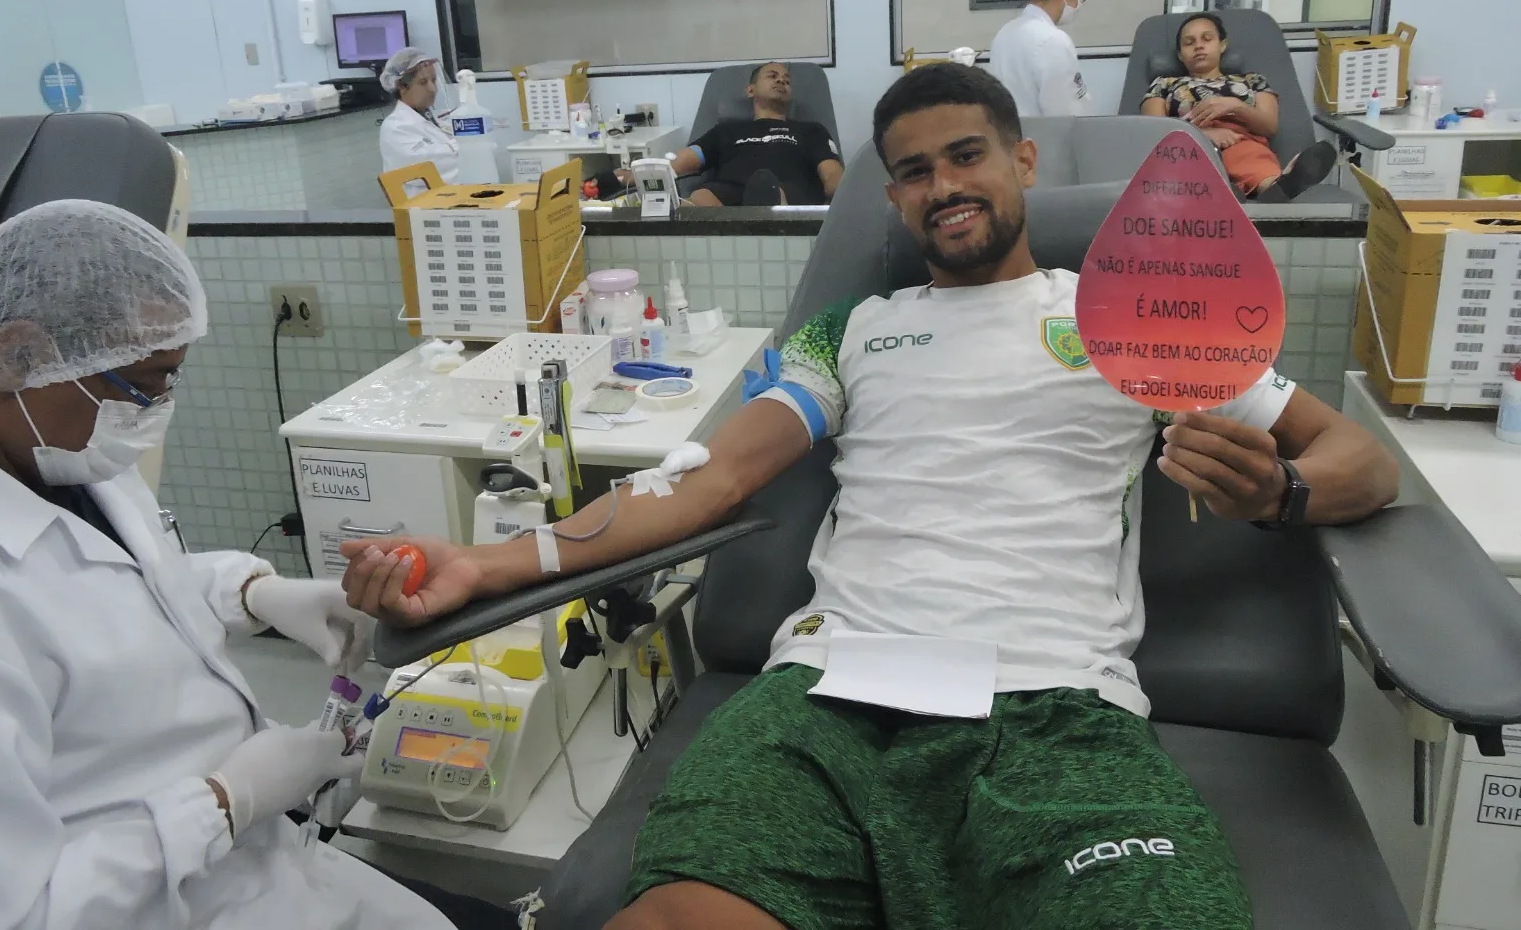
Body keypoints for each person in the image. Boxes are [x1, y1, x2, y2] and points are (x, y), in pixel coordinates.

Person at [342, 64, 1400, 930]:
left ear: (1021, 161)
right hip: (826, 702)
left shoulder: (1134, 317)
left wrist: (1284, 492)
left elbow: (1363, 460)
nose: (941, 184)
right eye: (911, 171)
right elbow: (710, 476)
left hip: (1051, 711)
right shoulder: (845, 331)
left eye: (965, 155)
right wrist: (486, 563)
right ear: (889, 195)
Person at [0, 200, 508, 929]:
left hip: (261, 866)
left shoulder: (50, 442)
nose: (157, 406)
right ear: (16, 353)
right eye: (146, 381)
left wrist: (255, 592)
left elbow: (117, 587)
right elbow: (6, 917)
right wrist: (224, 803)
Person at [1141, 12, 1337, 202]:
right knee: (1188, 164)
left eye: (1207, 39)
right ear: (1180, 55)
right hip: (1188, 146)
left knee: (1252, 159)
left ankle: (1276, 188)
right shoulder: (1164, 84)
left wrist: (1235, 106)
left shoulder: (1252, 81)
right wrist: (1203, 134)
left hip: (1240, 141)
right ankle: (1220, 191)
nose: (1198, 46)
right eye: (1189, 42)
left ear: (1222, 45)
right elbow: (1155, 130)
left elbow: (1269, 126)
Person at [669, 62, 843, 206]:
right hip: (730, 192)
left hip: (788, 192)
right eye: (772, 76)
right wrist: (653, 175)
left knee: (772, 191)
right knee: (701, 197)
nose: (782, 81)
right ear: (750, 90)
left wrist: (842, 198)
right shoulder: (725, 130)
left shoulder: (812, 130)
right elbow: (689, 157)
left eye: (787, 80)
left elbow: (832, 173)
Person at [987, 0, 1095, 118]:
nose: (1080, 0)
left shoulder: (1005, 33)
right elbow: (1067, 113)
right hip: (1047, 142)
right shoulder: (1052, 40)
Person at [379, 47, 460, 183]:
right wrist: (468, 147)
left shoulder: (433, 119)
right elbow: (433, 165)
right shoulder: (396, 127)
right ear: (402, 87)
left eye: (433, 80)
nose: (432, 89)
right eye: (423, 83)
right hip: (425, 202)